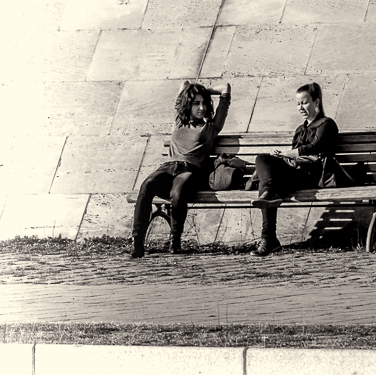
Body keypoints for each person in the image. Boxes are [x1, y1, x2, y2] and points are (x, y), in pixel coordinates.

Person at [129, 80, 231, 258]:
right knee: (147, 185)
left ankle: (175, 240)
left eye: (204, 103)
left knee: (178, 192)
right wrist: (192, 90)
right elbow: (184, 84)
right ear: (187, 104)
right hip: (168, 167)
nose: (202, 108)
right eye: (196, 103)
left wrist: (200, 91)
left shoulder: (212, 127)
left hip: (191, 171)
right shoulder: (179, 122)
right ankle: (137, 242)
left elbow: (225, 88)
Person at [246, 82, 338, 257]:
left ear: (316, 102)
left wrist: (284, 154)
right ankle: (269, 237)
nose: (300, 107)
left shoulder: (326, 124)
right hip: (295, 172)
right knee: (262, 161)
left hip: (312, 175)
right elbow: (295, 156)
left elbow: (313, 147)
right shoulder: (300, 129)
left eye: (304, 102)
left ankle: (269, 238)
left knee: (268, 186)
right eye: (298, 104)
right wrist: (285, 158)